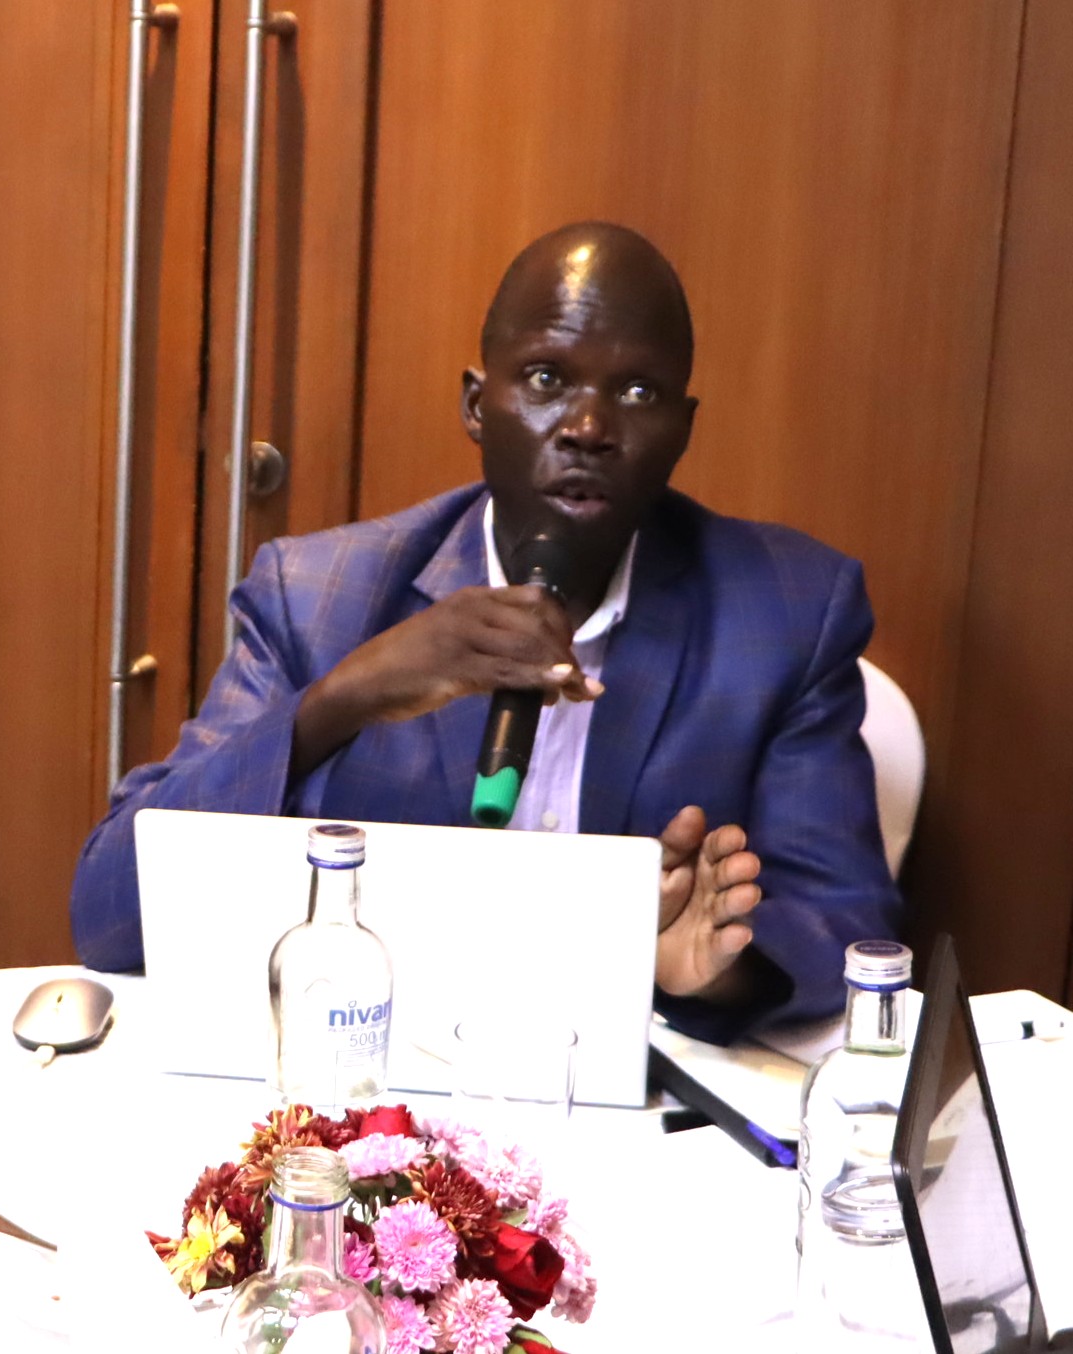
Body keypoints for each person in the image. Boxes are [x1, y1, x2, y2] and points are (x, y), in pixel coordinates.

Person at [71, 221, 897, 1041]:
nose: (586, 427)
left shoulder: (785, 610)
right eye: (545, 378)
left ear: (681, 429)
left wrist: (713, 972)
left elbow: (849, 931)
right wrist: (343, 697)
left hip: (623, 1098)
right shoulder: (319, 596)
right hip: (371, 1077)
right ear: (477, 405)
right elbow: (109, 914)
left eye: (637, 393)